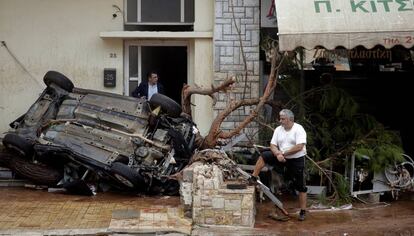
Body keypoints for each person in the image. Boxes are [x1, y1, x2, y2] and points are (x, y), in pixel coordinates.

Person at [250, 109, 308, 221]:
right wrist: (277, 153)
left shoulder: (299, 129)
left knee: (301, 186)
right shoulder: (278, 129)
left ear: (290, 119)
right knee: (264, 155)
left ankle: (303, 211)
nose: (280, 121)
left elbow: (299, 146)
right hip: (280, 157)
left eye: (283, 119)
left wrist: (283, 153)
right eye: (280, 118)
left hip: (296, 159)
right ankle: (253, 177)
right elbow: (272, 144)